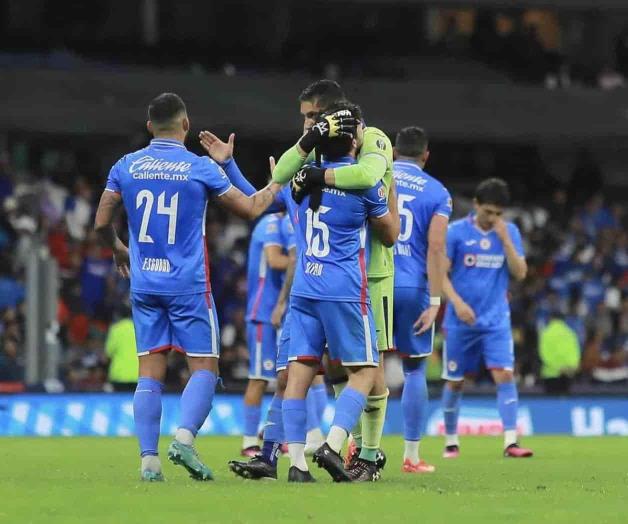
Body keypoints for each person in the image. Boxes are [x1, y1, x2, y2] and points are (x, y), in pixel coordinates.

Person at [94, 92, 281, 482]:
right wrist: (275, 185)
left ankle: (149, 461)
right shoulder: (199, 168)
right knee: (204, 368)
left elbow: (100, 222)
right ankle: (183, 438)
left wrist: (116, 248)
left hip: (145, 284)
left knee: (150, 371)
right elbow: (250, 208)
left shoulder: (126, 166)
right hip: (188, 286)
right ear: (186, 125)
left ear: (149, 127)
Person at [272, 80, 395, 478]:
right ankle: (335, 444)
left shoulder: (303, 180)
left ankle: (294, 465)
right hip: (344, 288)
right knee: (364, 371)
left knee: (299, 376)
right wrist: (386, 197)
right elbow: (389, 233)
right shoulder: (364, 186)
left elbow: (280, 177)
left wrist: (311, 153)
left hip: (305, 287)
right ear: (354, 139)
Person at [441, 178, 533, 458]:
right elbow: (440, 273)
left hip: (495, 320)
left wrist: (505, 240)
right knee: (456, 381)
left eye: (498, 214)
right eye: (488, 212)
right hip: (460, 320)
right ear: (476, 205)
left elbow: (520, 273)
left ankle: (510, 442)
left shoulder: (510, 232)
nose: (493, 218)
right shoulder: (455, 232)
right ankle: (451, 441)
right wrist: (456, 303)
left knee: (504, 374)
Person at [392, 127, 451, 473]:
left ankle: (357, 447)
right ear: (425, 155)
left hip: (373, 284)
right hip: (413, 288)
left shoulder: (375, 178)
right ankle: (411, 457)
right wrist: (435, 299)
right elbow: (437, 247)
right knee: (414, 370)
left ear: (395, 151)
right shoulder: (438, 192)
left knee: (365, 367)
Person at [240, 212, 292, 456]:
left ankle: (271, 433)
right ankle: (249, 441)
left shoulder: (284, 223)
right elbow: (274, 260)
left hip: (277, 312)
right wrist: (302, 257)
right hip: (262, 311)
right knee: (259, 377)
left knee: (284, 378)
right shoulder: (270, 223)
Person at [539, 311, 581, 394]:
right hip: (568, 374)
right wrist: (571, 367)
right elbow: (575, 352)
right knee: (565, 403)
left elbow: (545, 354)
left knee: (551, 404)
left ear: (551, 319)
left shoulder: (546, 332)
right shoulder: (570, 333)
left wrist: (558, 367)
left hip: (551, 374)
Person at [105, 302, 139, 392]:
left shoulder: (115, 329)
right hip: (138, 374)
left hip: (119, 375)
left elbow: (109, 352)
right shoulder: (139, 329)